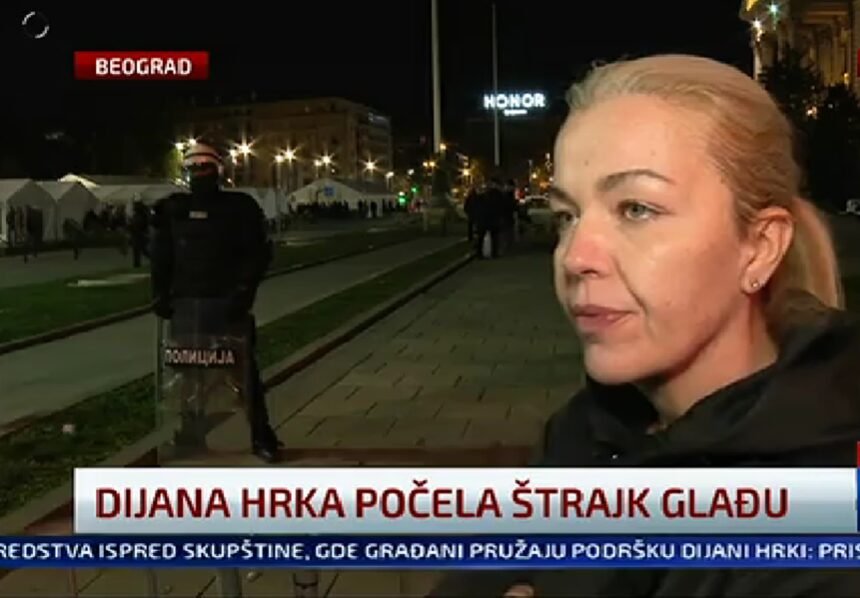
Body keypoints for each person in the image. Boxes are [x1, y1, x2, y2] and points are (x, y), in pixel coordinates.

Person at [428, 54, 860, 597]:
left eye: (636, 209)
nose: (575, 256)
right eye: (567, 216)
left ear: (759, 246)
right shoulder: (582, 431)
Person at [149, 140, 282, 464]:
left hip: (226, 302)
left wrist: (243, 293)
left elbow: (257, 254)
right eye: (193, 169)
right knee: (188, 375)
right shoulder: (173, 209)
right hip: (187, 303)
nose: (199, 174)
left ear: (217, 170)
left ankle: (262, 436)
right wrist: (160, 293)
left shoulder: (240, 207)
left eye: (204, 168)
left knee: (243, 373)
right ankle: (190, 434)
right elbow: (162, 255)